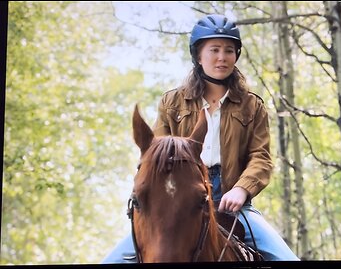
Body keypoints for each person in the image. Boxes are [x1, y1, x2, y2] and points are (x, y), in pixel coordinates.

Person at [102, 13, 299, 263]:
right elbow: (157, 155)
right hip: (179, 200)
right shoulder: (172, 102)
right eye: (214, 49)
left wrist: (241, 189)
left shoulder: (252, 106)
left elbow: (261, 158)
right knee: (112, 261)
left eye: (229, 50)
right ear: (198, 55)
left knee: (286, 258)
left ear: (236, 56)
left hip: (235, 203)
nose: (222, 57)